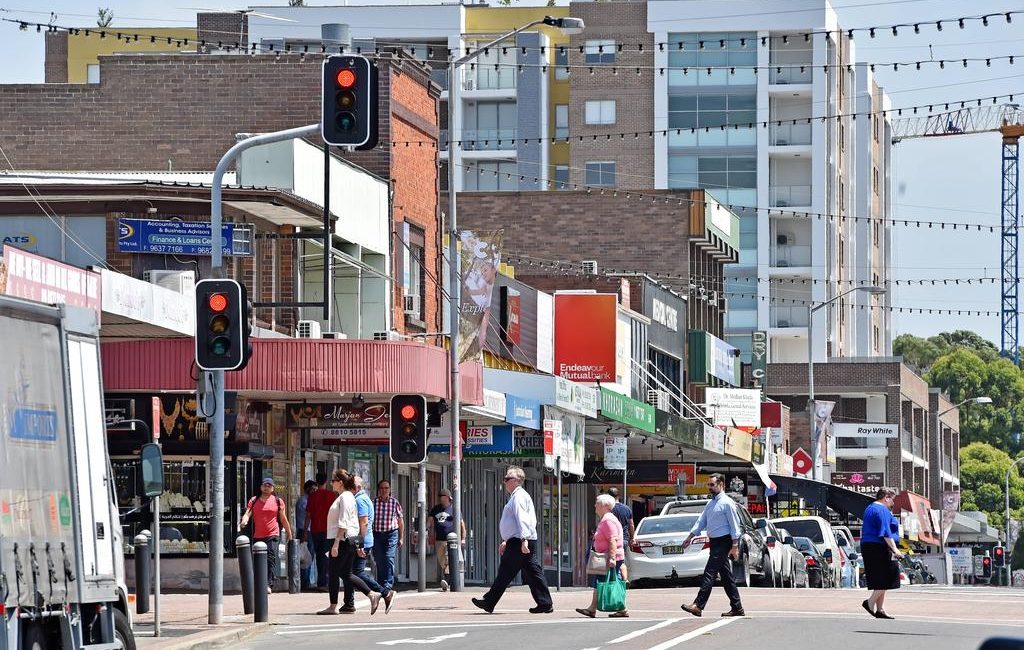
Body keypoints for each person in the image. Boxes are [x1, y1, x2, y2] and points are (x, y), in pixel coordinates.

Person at [472, 466, 553, 614]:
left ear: (516, 481)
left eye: (507, 478)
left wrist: (523, 539)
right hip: (518, 540)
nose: (504, 481)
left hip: (521, 540)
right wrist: (508, 540)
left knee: (508, 572)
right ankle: (544, 603)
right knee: (531, 572)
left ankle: (489, 602)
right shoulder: (517, 496)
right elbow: (518, 522)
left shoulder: (519, 497)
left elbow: (523, 519)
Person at [317, 469, 383, 615]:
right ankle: (372, 594)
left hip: (342, 540)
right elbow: (353, 524)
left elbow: (345, 522)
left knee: (334, 573)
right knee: (346, 573)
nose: (331, 483)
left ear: (340, 483)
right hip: (348, 540)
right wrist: (358, 545)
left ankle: (333, 606)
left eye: (333, 480)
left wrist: (335, 543)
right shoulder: (346, 497)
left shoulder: (345, 497)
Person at [679, 473, 745, 618]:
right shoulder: (711, 503)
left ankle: (698, 605)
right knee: (726, 577)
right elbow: (701, 522)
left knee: (709, 572)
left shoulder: (727, 503)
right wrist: (690, 537)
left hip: (724, 541)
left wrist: (735, 545)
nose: (709, 487)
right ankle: (737, 607)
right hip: (714, 542)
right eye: (708, 485)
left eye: (712, 485)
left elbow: (735, 526)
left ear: (721, 484)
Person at [344, 476, 395, 613]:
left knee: (356, 572)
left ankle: (384, 593)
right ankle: (349, 603)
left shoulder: (360, 500)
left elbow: (364, 523)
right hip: (362, 540)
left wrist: (359, 544)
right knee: (349, 572)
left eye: (350, 487)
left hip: (362, 541)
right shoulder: (365, 499)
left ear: (357, 488)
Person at [575, 494, 629, 618]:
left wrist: (612, 558)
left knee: (607, 582)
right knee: (601, 582)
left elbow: (612, 539)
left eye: (597, 503)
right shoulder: (607, 519)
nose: (595, 505)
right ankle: (593, 608)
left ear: (605, 506)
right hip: (607, 556)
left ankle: (621, 608)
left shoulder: (608, 520)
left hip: (608, 557)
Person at [239, 477, 294, 593]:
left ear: (273, 488)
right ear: (261, 487)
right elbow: (247, 514)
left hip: (273, 534)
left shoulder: (278, 501)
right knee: (258, 560)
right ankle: (260, 583)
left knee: (271, 557)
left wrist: (289, 532)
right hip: (258, 535)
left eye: (269, 486)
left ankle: (269, 584)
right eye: (265, 485)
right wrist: (244, 521)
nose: (266, 487)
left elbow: (283, 519)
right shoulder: (254, 500)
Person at [860, 487, 902, 619]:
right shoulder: (881, 509)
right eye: (892, 499)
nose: (893, 503)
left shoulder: (870, 508)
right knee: (889, 576)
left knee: (880, 578)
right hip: (879, 546)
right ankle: (870, 602)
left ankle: (880, 609)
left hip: (870, 546)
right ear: (886, 497)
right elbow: (885, 532)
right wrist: (895, 550)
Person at [429, 489, 466, 591]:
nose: (441, 499)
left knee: (448, 558)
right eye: (440, 497)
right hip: (439, 539)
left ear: (448, 498)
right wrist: (427, 533)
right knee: (442, 561)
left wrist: (463, 538)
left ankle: (447, 579)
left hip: (451, 540)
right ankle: (448, 580)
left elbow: (461, 524)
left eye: (443, 497)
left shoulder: (454, 509)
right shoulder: (436, 509)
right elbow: (430, 522)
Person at [372, 479, 404, 592]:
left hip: (391, 533)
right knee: (379, 559)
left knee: (389, 557)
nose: (384, 490)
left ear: (390, 489)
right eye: (382, 488)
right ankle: (381, 583)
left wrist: (401, 537)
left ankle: (388, 584)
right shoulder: (374, 502)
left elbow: (400, 521)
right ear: (379, 490)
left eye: (386, 488)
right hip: (377, 534)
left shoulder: (394, 502)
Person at [306, 473, 336, 591]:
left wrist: (304, 531)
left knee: (319, 556)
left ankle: (321, 582)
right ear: (326, 481)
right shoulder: (332, 495)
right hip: (329, 530)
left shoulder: (312, 496)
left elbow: (308, 515)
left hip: (315, 530)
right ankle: (326, 582)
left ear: (316, 482)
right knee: (327, 557)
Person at [606, 487, 635, 581]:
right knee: (622, 561)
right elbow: (631, 524)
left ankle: (614, 580)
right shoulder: (627, 509)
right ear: (618, 496)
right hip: (625, 539)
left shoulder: (609, 510)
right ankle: (625, 579)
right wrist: (632, 538)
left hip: (612, 539)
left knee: (613, 560)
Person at [296, 479, 316, 590]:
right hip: (305, 531)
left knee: (308, 557)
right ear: (307, 489)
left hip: (308, 531)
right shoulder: (304, 501)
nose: (314, 491)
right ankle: (305, 583)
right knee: (306, 557)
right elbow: (308, 517)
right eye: (312, 489)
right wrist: (304, 533)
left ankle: (306, 581)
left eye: (315, 489)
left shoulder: (308, 500)